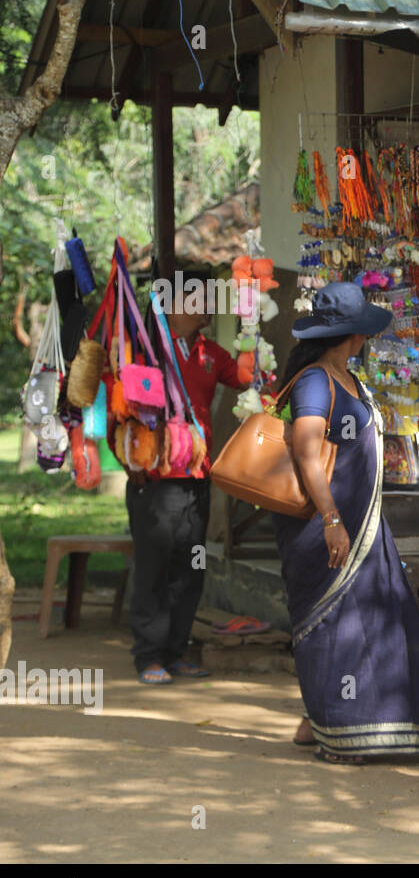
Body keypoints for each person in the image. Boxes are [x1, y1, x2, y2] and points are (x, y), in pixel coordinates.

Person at [277, 282, 419, 763]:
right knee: (336, 627)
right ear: (354, 334)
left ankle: (325, 720)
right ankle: (340, 726)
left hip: (362, 527)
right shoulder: (314, 381)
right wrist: (331, 520)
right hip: (328, 529)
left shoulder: (346, 377)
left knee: (373, 619)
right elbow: (307, 454)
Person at [130, 270, 251, 685]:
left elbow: (247, 379)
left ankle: (177, 652)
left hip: (198, 478)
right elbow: (125, 415)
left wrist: (254, 332)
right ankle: (148, 656)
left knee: (191, 566)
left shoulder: (211, 353)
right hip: (156, 482)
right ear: (172, 304)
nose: (207, 306)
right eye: (198, 299)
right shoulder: (142, 354)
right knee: (153, 568)